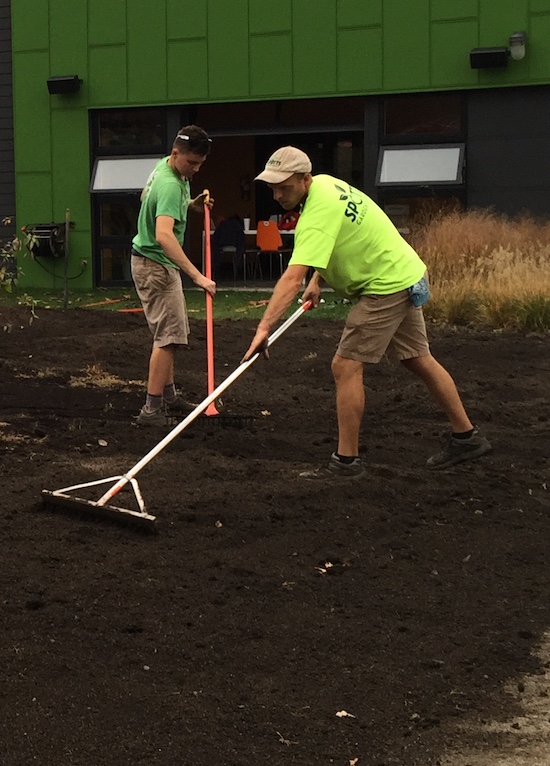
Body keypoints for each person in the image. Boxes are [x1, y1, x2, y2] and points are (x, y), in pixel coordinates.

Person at [242, 146, 492, 479]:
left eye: (282, 186)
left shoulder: (317, 212)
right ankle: (467, 437)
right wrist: (319, 279)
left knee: (345, 365)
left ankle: (346, 462)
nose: (275, 195)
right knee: (418, 358)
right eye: (271, 186)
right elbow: (334, 241)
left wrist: (264, 329)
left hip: (385, 286)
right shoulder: (326, 185)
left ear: (304, 179)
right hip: (405, 272)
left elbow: (290, 278)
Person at [131, 125, 216, 426]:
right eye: (191, 163)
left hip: (154, 263)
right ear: (175, 153)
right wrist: (198, 276)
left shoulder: (166, 172)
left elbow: (146, 199)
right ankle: (151, 410)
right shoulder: (170, 184)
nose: (195, 169)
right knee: (168, 338)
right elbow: (164, 236)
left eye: (200, 165)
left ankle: (168, 396)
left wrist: (190, 206)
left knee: (169, 333)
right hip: (156, 265)